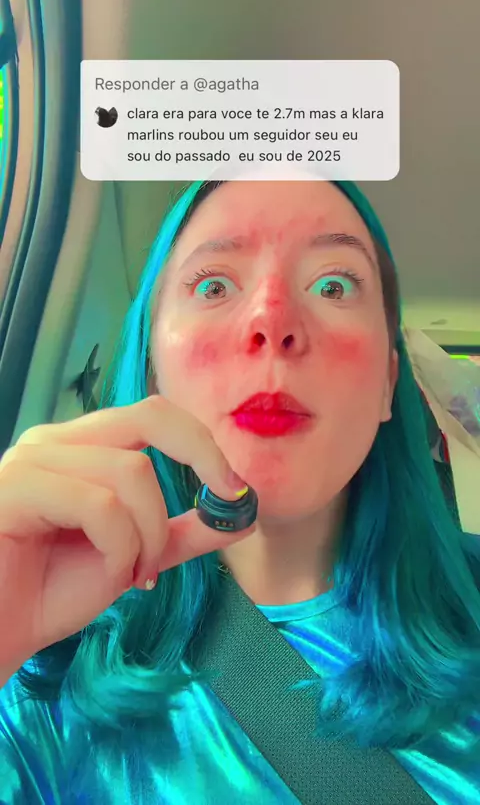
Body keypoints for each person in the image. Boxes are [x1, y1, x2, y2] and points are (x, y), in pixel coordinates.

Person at [0, 178, 479, 804]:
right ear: (153, 370)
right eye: (213, 286)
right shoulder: (37, 677)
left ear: (388, 383)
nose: (271, 321)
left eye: (333, 285)